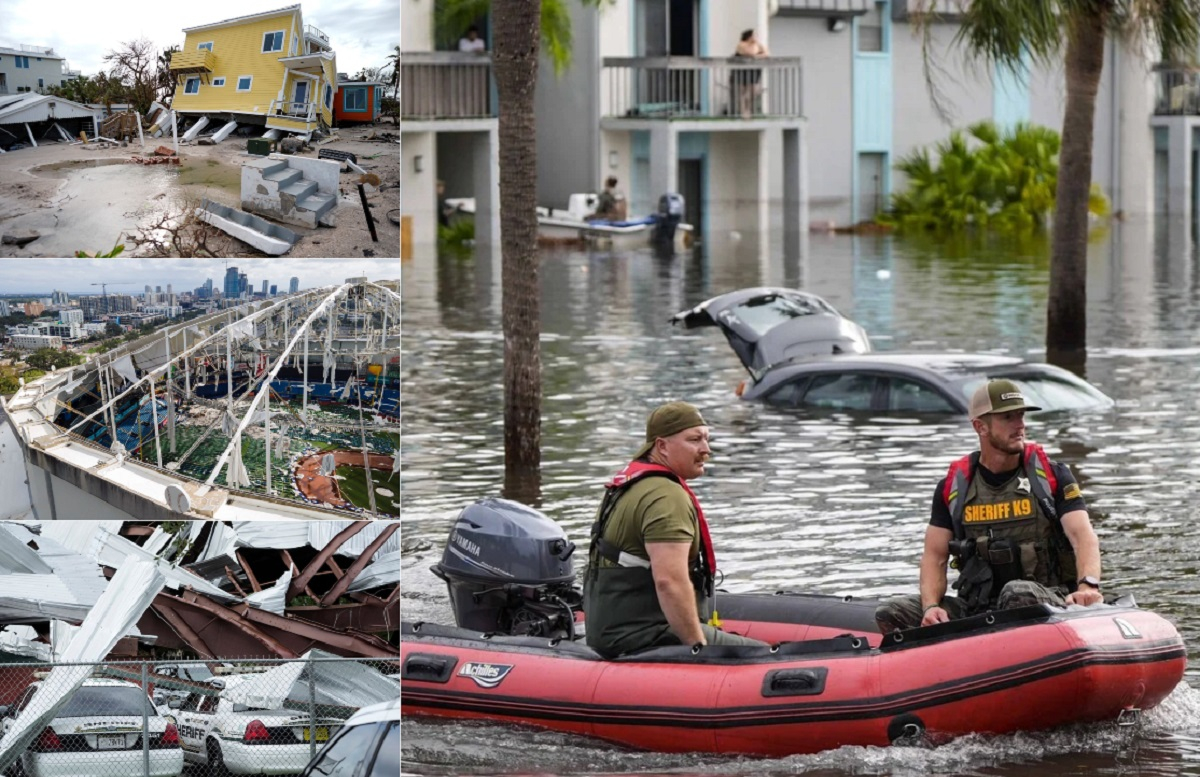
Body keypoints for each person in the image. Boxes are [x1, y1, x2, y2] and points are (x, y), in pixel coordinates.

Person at [874, 380, 1104, 634]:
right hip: (978, 608)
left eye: (1021, 415)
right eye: (1008, 417)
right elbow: (935, 557)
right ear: (980, 426)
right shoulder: (953, 487)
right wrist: (930, 608)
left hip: (1046, 600)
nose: (1020, 425)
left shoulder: (1052, 476)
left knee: (1016, 593)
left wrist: (1087, 587)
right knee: (892, 612)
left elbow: (1082, 537)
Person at [583, 402, 767, 658]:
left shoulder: (630, 485)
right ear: (661, 446)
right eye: (694, 440)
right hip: (644, 634)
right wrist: (699, 648)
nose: (706, 450)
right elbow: (669, 581)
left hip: (612, 631)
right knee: (767, 656)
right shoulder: (666, 497)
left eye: (706, 439)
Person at [732, 29, 768, 118]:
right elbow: (749, 53)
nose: (755, 38)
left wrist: (758, 51)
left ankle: (748, 108)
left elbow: (766, 54)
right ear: (749, 36)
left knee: (753, 90)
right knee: (742, 91)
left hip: (753, 70)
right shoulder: (741, 44)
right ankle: (743, 112)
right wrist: (758, 55)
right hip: (742, 70)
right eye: (753, 36)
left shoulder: (757, 45)